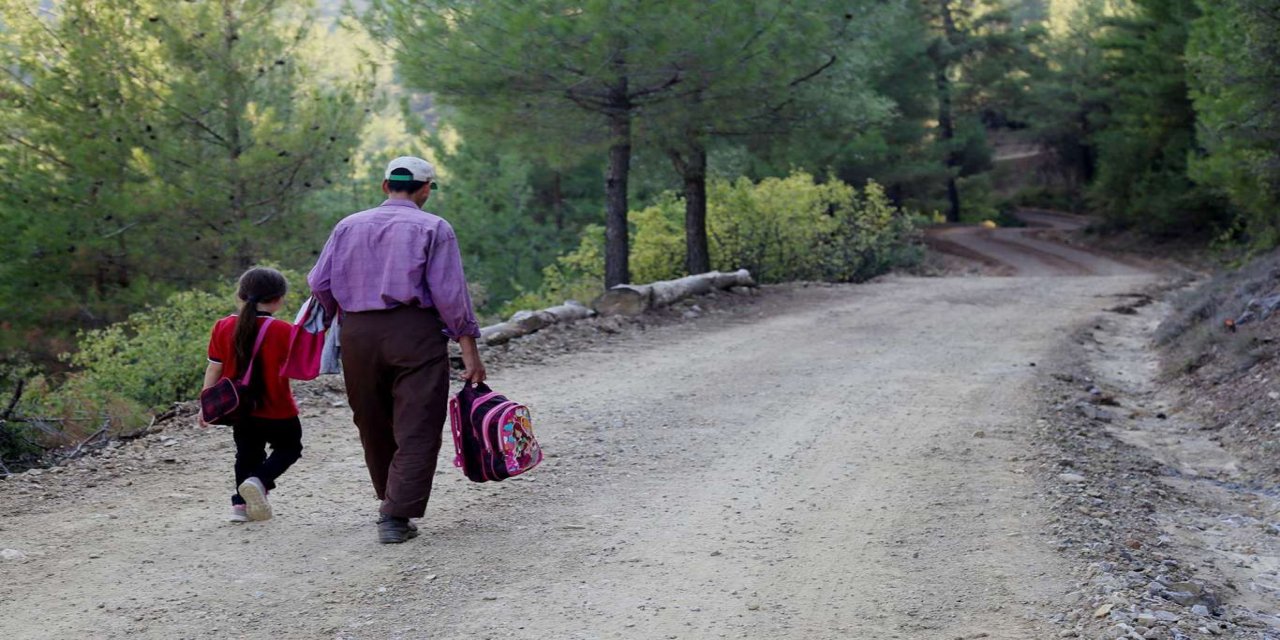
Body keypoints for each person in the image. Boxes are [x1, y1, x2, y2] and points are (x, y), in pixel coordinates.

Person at [308, 156, 487, 544]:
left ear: (384, 185)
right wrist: (469, 349)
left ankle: (391, 498)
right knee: (418, 423)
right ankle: (395, 513)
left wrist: (342, 317)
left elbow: (319, 282)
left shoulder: (347, 226)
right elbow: (450, 295)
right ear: (425, 189)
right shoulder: (435, 227)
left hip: (357, 336)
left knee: (372, 420)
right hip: (415, 334)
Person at [202, 267, 303, 523]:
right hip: (277, 407)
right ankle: (258, 481)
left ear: (241, 295)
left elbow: (215, 367)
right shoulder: (285, 331)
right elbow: (302, 368)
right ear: (280, 299)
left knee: (246, 453)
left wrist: (205, 404)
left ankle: (240, 507)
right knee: (289, 447)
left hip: (240, 408)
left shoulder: (223, 326)